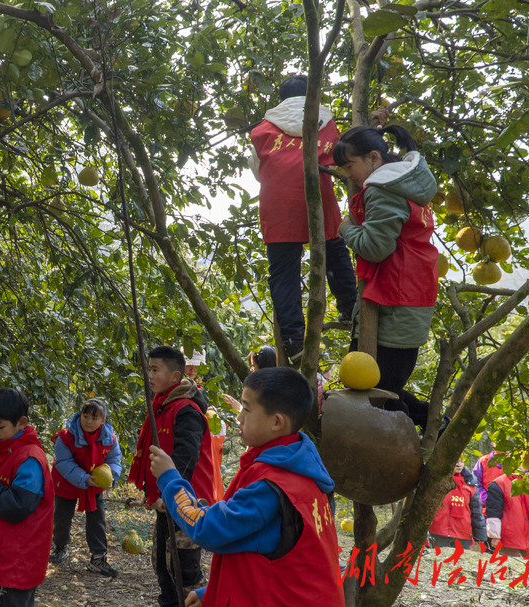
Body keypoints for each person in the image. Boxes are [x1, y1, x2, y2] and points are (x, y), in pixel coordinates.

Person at [149, 366, 343, 607]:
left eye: (247, 409)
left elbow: (208, 529)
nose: (239, 417)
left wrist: (169, 478)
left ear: (276, 422)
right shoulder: (303, 468)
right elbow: (271, 557)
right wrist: (213, 592)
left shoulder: (272, 485)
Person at [335, 123, 438, 430]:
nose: (348, 175)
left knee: (380, 392)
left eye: (350, 166)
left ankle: (436, 426)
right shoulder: (402, 181)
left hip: (395, 298)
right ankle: (434, 422)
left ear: (374, 157)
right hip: (408, 293)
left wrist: (346, 229)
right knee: (379, 386)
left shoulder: (382, 190)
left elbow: (376, 247)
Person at [248, 75, 356, 362]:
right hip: (320, 199)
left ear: (280, 100)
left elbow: (258, 171)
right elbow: (343, 159)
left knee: (284, 273)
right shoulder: (327, 122)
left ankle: (294, 340)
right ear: (312, 95)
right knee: (334, 251)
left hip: (279, 203)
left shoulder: (263, 130)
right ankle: (350, 308)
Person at [128, 346, 221, 607]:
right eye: (149, 369)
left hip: (188, 501)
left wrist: (171, 493)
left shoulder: (186, 410)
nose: (150, 375)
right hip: (168, 498)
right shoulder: (162, 406)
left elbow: (187, 456)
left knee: (184, 569)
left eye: (156, 369)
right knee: (163, 564)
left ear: (174, 376)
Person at [0, 388, 53, 607]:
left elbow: (17, 506)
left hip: (20, 555)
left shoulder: (29, 458)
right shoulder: (7, 448)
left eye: (0, 427)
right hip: (7, 549)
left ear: (21, 423)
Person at [48, 398, 122, 577]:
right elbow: (63, 462)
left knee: (97, 519)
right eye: (85, 416)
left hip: (94, 484)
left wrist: (112, 477)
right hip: (67, 482)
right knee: (62, 517)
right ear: (80, 415)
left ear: (103, 420)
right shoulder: (66, 436)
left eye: (94, 418)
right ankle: (60, 546)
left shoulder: (109, 438)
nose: (88, 421)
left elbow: (114, 460)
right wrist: (83, 478)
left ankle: (98, 558)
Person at [485, 466, 529, 558]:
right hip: (509, 537)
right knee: (510, 569)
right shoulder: (498, 484)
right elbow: (494, 512)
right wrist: (495, 536)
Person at [428, 461, 486, 549]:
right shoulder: (436, 480)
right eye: (456, 461)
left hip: (463, 535)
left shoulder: (470, 482)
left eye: (461, 461)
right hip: (438, 532)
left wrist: (479, 535)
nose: (459, 465)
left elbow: (476, 511)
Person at [472, 447, 504, 512]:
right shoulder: (484, 461)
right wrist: (487, 499)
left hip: (510, 509)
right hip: (487, 510)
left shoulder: (515, 462)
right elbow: (475, 483)